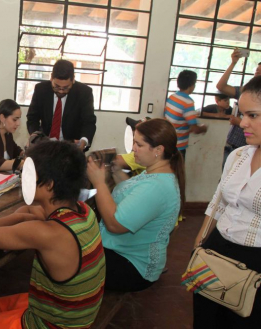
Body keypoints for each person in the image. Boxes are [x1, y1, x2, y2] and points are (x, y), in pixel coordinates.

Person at [0, 141, 106, 329]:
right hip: (77, 314)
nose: (24, 180)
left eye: (30, 176)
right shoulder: (84, 210)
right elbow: (40, 216)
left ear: (50, 185)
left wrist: (18, 215)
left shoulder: (45, 233)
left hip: (53, 324)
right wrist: (30, 212)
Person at [192, 76, 261, 329]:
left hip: (255, 260)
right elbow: (218, 201)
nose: (242, 122)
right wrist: (200, 242)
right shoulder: (239, 155)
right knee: (206, 318)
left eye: (252, 115)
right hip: (218, 248)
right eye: (241, 114)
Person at [87, 118, 184, 292]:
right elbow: (134, 194)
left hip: (132, 266)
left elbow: (115, 224)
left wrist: (99, 183)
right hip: (124, 253)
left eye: (139, 144)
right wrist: (116, 172)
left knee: (66, 255)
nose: (133, 149)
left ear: (158, 150)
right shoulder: (154, 173)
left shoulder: (156, 188)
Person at [26, 59, 96, 151]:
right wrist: (36, 137)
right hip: (45, 146)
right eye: (57, 86)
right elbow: (32, 118)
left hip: (71, 148)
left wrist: (83, 141)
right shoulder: (41, 89)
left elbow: (89, 122)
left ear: (73, 80)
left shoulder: (84, 93)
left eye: (66, 88)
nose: (61, 91)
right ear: (51, 78)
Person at [215, 49, 261, 169]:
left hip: (246, 147)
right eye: (257, 70)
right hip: (232, 146)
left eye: (253, 115)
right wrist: (233, 63)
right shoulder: (244, 92)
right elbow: (221, 86)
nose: (244, 123)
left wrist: (238, 121)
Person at [164, 70, 208, 159]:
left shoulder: (172, 97)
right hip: (178, 146)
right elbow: (195, 129)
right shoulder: (188, 102)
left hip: (167, 141)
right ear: (192, 85)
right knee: (177, 171)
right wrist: (204, 128)